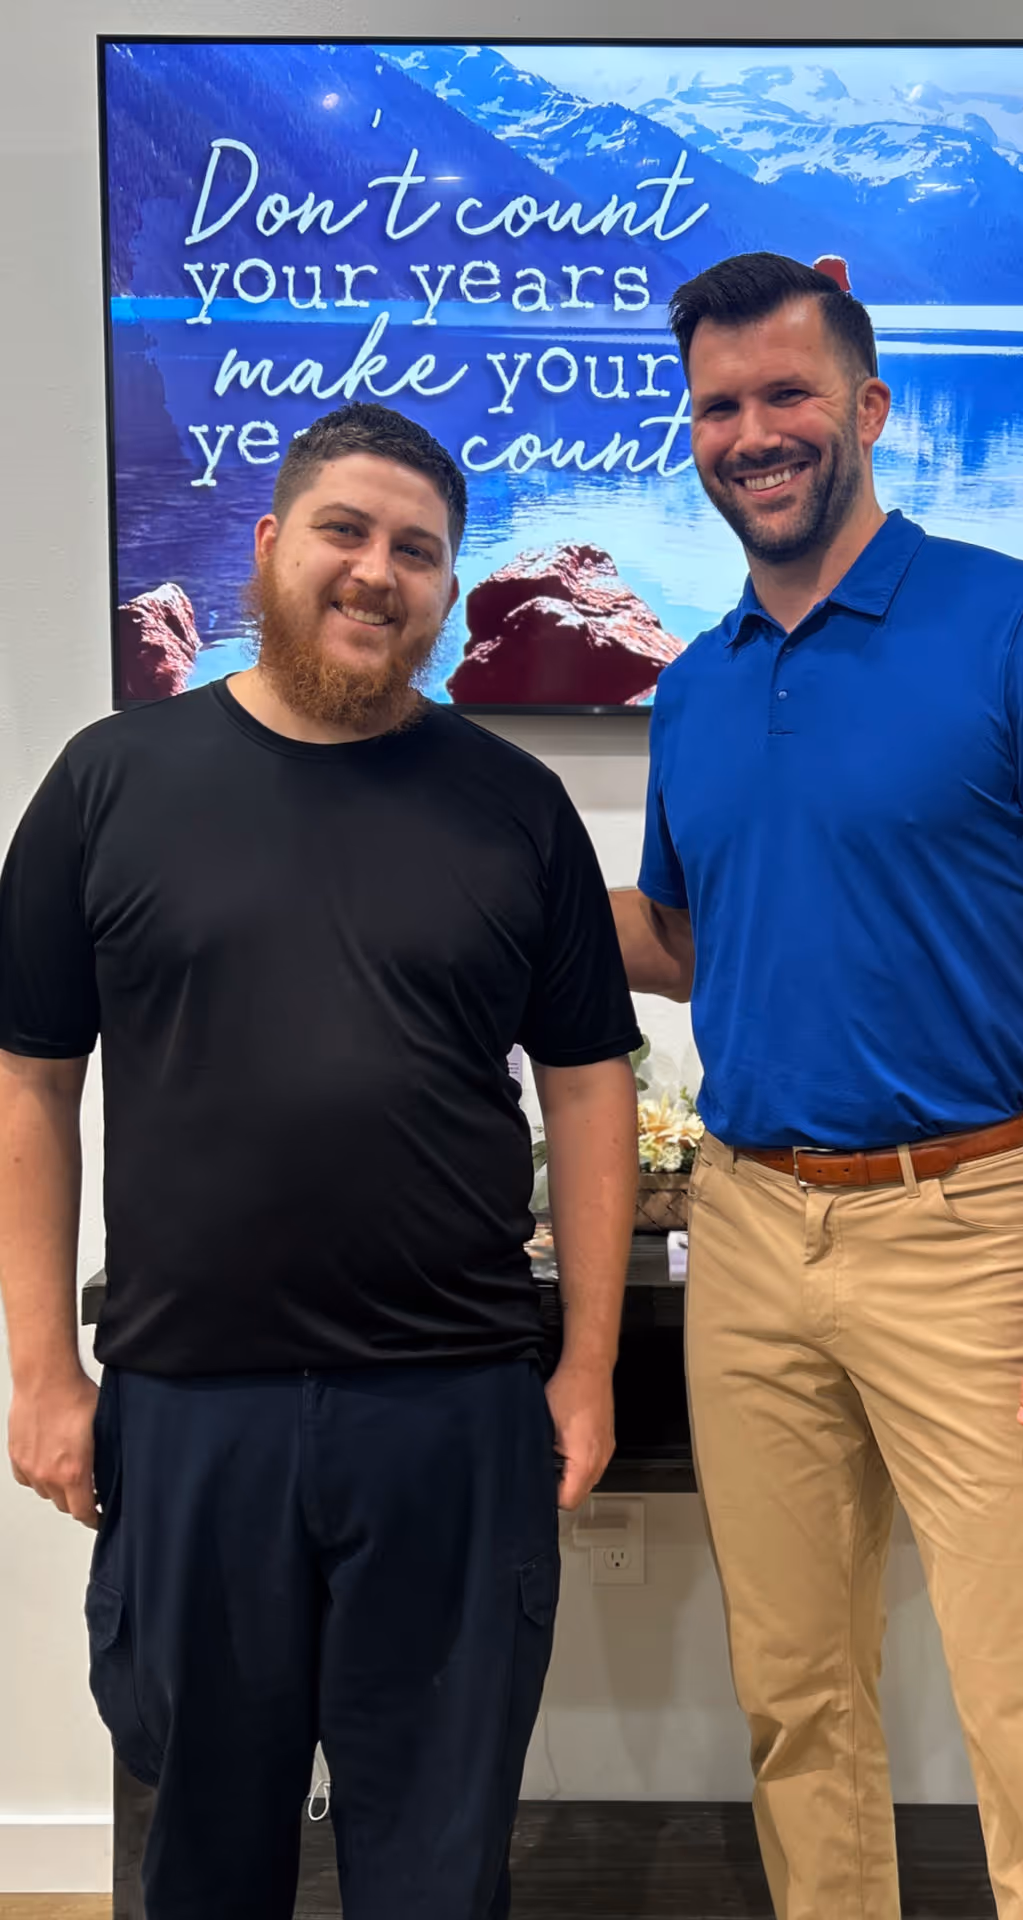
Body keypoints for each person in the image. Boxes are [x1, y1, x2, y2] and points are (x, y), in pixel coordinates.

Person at [0, 401, 641, 1920]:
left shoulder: (515, 806)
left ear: (447, 589)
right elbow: (32, 1081)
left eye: (417, 551)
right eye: (345, 533)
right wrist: (41, 1371)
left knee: (437, 1864)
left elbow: (589, 1089)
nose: (377, 572)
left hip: (453, 1409)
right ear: (271, 545)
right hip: (188, 1409)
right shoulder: (107, 782)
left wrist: (589, 1364)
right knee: (202, 1855)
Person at [612, 252, 1023, 1920]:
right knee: (797, 1705)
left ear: (867, 406)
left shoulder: (1021, 621)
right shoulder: (698, 684)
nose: (753, 433)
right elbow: (694, 943)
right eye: (719, 405)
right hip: (747, 1231)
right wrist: (475, 875)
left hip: (980, 1226)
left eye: (788, 393)